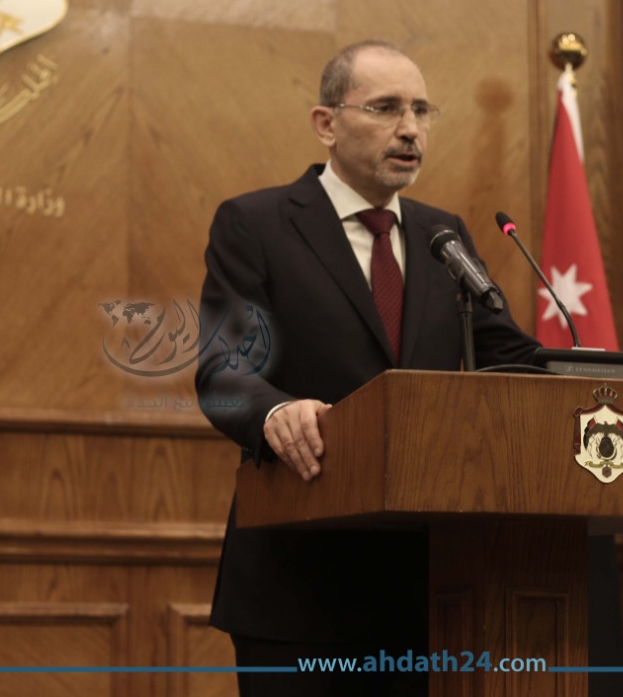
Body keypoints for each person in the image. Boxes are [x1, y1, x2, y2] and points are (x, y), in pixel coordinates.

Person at [195, 41, 542, 696]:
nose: (410, 129)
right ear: (326, 123)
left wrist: (583, 377)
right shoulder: (257, 224)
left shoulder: (443, 236)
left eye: (421, 110)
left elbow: (510, 357)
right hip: (299, 583)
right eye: (386, 108)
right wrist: (276, 412)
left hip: (431, 586)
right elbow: (222, 373)